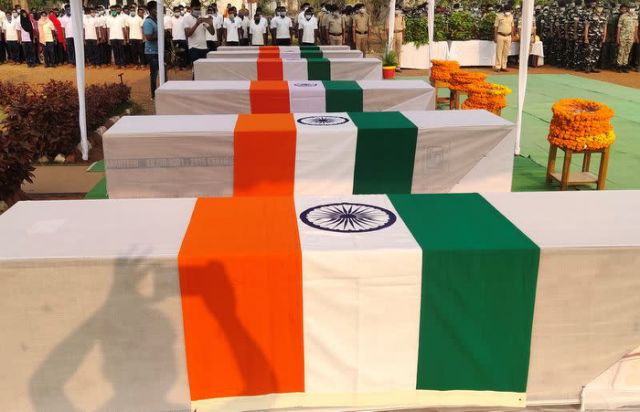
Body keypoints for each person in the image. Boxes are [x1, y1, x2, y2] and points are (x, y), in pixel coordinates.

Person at [143, 1, 165, 99]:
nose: (157, 11)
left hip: (159, 51)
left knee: (163, 73)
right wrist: (161, 35)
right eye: (155, 9)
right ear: (151, 10)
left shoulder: (157, 20)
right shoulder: (148, 21)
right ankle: (154, 95)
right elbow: (148, 37)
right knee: (154, 74)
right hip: (152, 52)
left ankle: (163, 92)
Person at [582, 0, 607, 73]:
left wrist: (604, 37)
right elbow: (586, 27)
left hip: (599, 37)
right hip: (591, 37)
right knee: (589, 52)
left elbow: (605, 27)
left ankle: (593, 67)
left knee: (596, 52)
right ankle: (587, 67)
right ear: (595, 7)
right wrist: (586, 38)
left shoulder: (604, 16)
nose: (600, 8)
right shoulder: (590, 15)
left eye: (601, 7)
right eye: (599, 7)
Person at [616, 3, 638, 71]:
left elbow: (636, 27)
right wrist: (617, 37)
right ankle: (619, 65)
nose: (632, 9)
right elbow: (619, 28)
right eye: (631, 8)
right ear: (628, 8)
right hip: (623, 36)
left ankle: (624, 65)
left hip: (631, 37)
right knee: (621, 51)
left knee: (627, 51)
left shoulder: (635, 16)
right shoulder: (623, 16)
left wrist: (635, 37)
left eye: (633, 8)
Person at [494, 4, 514, 72]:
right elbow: (496, 27)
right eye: (507, 10)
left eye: (509, 10)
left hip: (508, 36)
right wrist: (495, 37)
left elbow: (512, 26)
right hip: (500, 35)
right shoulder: (499, 16)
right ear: (504, 10)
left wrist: (512, 36)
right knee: (499, 52)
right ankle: (498, 67)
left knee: (506, 52)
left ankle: (504, 66)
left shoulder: (511, 16)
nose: (508, 11)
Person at [386, 5, 405, 70]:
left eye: (398, 9)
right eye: (396, 9)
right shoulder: (390, 17)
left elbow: (404, 28)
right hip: (392, 34)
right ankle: (393, 65)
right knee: (392, 50)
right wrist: (388, 37)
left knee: (398, 51)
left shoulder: (402, 17)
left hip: (400, 34)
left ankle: (398, 66)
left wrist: (404, 37)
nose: (397, 11)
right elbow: (387, 28)